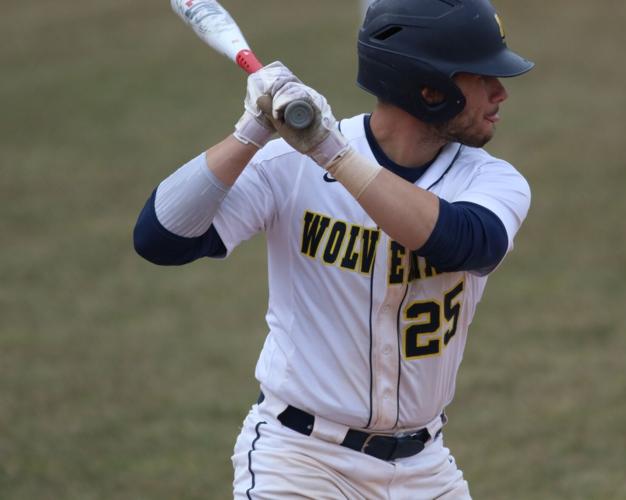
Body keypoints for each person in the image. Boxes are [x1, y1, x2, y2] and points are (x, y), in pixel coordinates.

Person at [134, 0, 534, 497]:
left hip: (425, 471)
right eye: (482, 77)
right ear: (431, 89)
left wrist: (330, 151)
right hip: (299, 461)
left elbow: (466, 244)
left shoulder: (491, 180)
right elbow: (160, 239)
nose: (500, 92)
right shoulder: (289, 164)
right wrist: (251, 130)